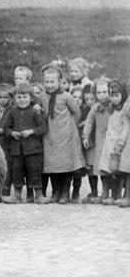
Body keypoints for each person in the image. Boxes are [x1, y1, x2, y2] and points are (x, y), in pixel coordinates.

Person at [40, 65, 86, 204]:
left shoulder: (66, 96)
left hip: (66, 135)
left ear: (60, 82)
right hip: (50, 136)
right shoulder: (42, 96)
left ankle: (65, 192)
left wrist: (70, 126)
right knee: (52, 164)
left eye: (52, 82)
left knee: (66, 164)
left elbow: (77, 112)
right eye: (46, 82)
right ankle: (56, 191)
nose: (49, 85)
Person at [1, 83, 48, 204]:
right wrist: (12, 133)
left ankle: (39, 195)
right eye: (19, 97)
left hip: (33, 149)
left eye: (25, 97)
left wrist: (31, 131)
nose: (22, 100)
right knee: (17, 171)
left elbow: (43, 127)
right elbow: (5, 127)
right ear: (15, 99)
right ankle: (17, 195)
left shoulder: (35, 110)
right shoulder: (12, 111)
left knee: (34, 171)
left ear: (31, 97)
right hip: (17, 149)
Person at [95, 80, 128, 205]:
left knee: (118, 171)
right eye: (111, 95)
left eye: (116, 95)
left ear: (123, 95)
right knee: (107, 169)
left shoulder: (124, 110)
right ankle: (108, 194)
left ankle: (117, 194)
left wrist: (121, 142)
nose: (113, 99)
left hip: (118, 142)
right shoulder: (111, 108)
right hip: (108, 142)